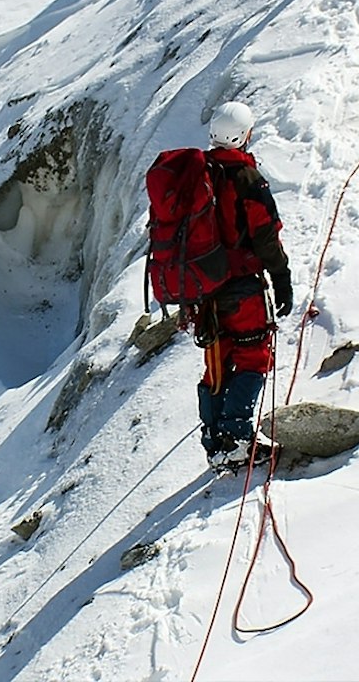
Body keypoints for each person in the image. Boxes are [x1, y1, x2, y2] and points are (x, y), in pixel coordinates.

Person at [148, 104, 297, 471]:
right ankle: (237, 438)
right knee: (253, 357)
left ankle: (215, 443)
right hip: (241, 286)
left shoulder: (197, 175)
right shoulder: (246, 177)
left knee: (217, 364)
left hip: (202, 289)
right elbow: (265, 235)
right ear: (245, 134)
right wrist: (282, 278)